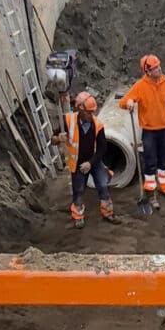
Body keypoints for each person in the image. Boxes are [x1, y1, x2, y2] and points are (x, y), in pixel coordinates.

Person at [118, 55, 165, 202]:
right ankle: (150, 192)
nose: (159, 69)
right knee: (150, 161)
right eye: (155, 68)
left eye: (159, 66)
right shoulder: (140, 86)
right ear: (148, 71)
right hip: (149, 132)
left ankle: (164, 187)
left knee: (163, 160)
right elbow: (122, 102)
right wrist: (128, 101)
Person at [51, 91, 118, 228]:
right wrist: (58, 139)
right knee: (78, 189)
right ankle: (78, 215)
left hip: (93, 160)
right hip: (77, 163)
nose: (91, 115)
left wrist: (90, 163)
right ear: (80, 110)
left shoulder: (97, 125)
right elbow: (52, 140)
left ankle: (108, 212)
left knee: (103, 184)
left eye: (92, 112)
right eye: (88, 112)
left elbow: (102, 148)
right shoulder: (67, 121)